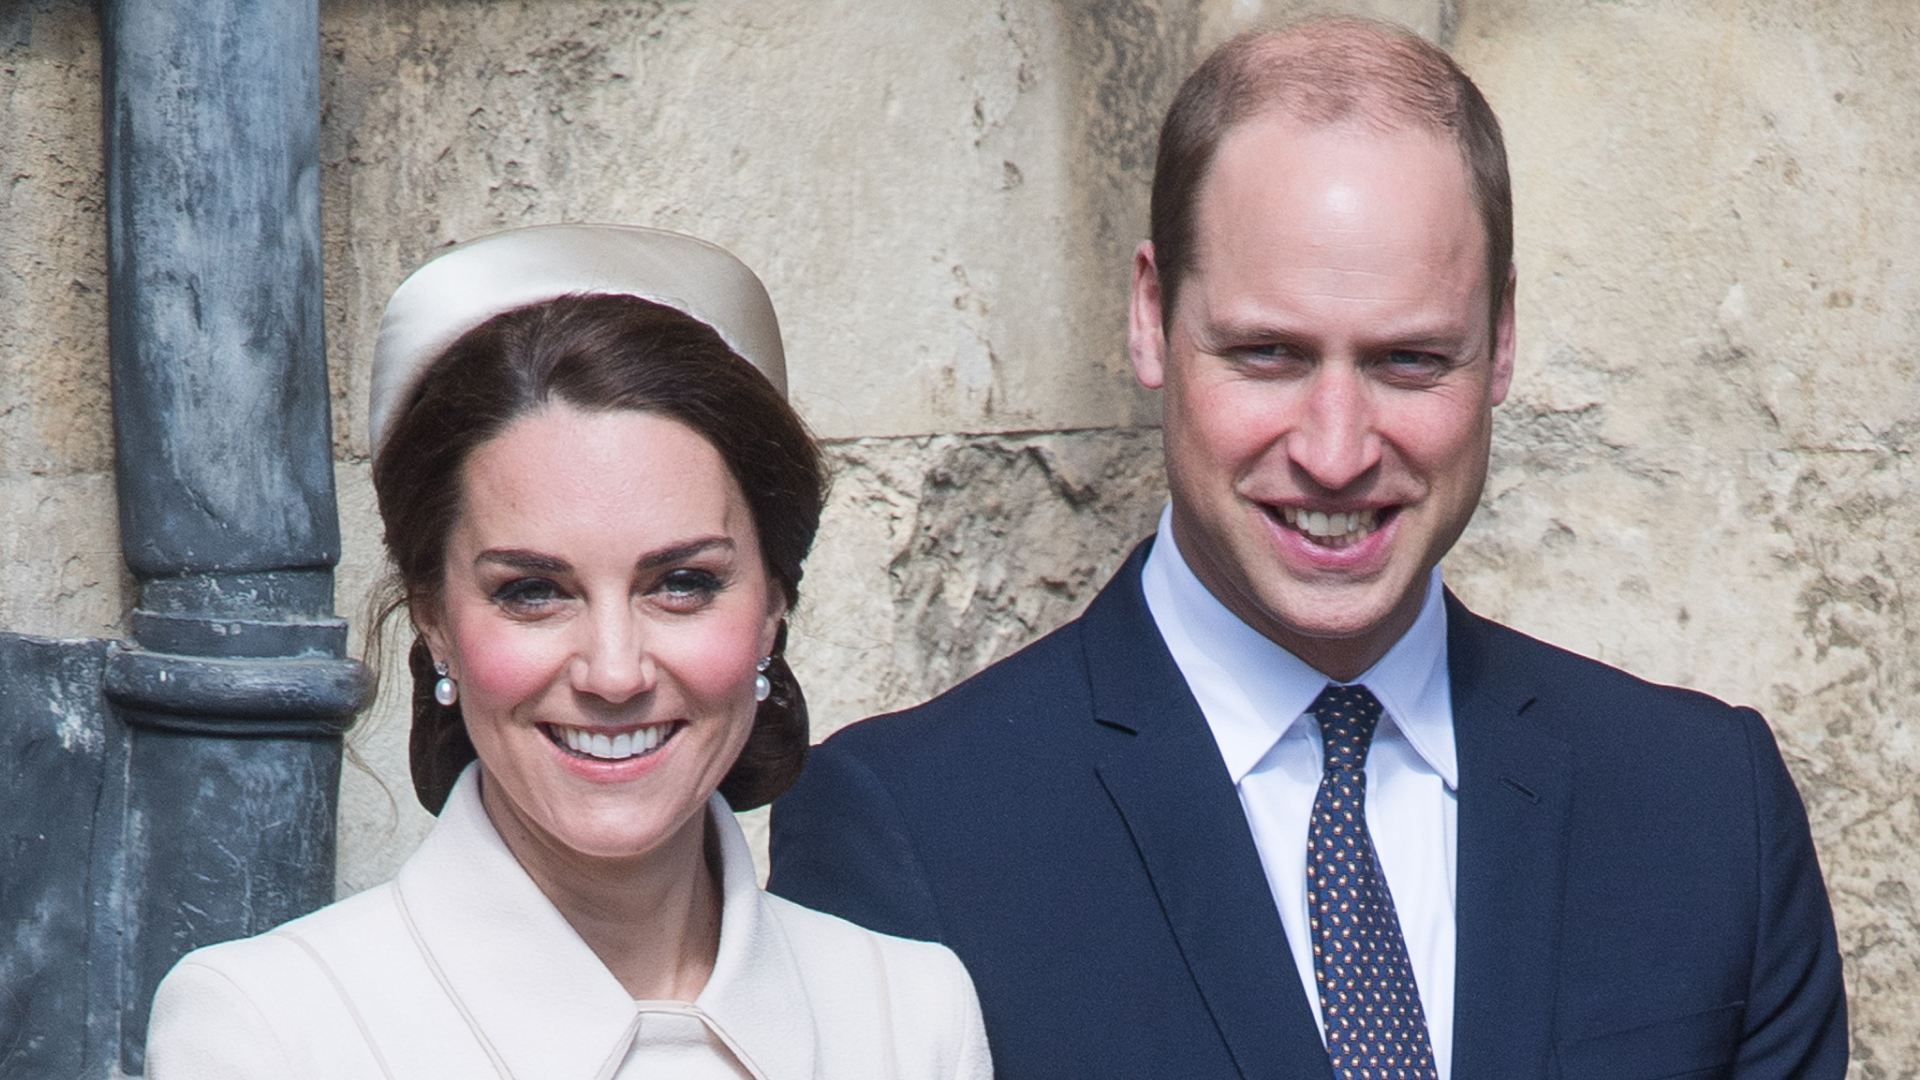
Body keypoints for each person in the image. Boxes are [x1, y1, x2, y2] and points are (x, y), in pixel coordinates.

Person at [768, 17, 1846, 1080]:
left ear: (1503, 339)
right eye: (1268, 354)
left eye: (1410, 360)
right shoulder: (911, 831)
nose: (1336, 452)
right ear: (1150, 316)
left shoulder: (1708, 811)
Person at [145, 224, 993, 1080]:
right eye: (533, 592)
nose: (615, 672)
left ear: (774, 602)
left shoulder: (910, 1014)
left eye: (682, 583)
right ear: (435, 619)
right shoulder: (271, 1030)